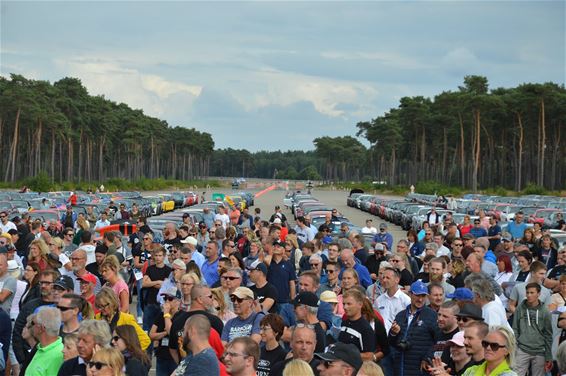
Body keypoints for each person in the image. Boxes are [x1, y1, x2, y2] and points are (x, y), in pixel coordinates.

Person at [388, 281, 440, 376]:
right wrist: (393, 333)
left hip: (420, 369)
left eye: (423, 296)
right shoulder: (401, 315)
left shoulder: (432, 315)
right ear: (410, 294)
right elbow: (391, 342)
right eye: (417, 295)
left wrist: (428, 357)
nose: (420, 299)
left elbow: (438, 341)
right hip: (400, 367)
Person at [512, 282, 553, 376]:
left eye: (532, 292)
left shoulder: (545, 311)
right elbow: (515, 329)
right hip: (522, 348)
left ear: (538, 294)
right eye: (527, 292)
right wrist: (515, 348)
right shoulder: (520, 308)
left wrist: (548, 356)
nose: (529, 295)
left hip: (539, 351)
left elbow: (548, 335)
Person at [25, 306, 64, 375]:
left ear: (41, 328)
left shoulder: (58, 355)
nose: (29, 325)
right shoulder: (41, 347)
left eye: (33, 323)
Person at [265, 239, 296, 326]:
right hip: (270, 299)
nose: (275, 248)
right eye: (274, 246)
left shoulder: (288, 264)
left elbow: (292, 282)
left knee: (284, 324)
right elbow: (266, 261)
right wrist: (271, 253)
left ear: (283, 250)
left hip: (284, 300)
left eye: (278, 246)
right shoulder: (269, 262)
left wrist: (292, 299)